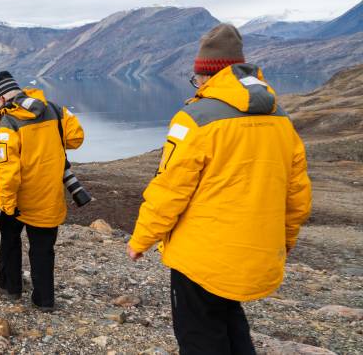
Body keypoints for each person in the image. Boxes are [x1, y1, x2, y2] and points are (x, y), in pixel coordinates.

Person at [127, 24, 312, 354]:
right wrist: (285, 240)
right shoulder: (280, 118)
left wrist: (142, 238)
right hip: (251, 253)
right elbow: (296, 192)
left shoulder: (194, 119)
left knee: (200, 336)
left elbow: (169, 189)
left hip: (201, 258)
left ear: (205, 75)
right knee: (230, 320)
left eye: (196, 78)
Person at [0, 71, 84, 311]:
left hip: (20, 199)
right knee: (43, 250)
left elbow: (7, 172)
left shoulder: (8, 124)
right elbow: (76, 138)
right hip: (50, 197)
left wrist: (7, 203)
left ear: (1, 99)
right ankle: (44, 300)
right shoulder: (54, 109)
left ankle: (10, 287)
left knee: (10, 240)